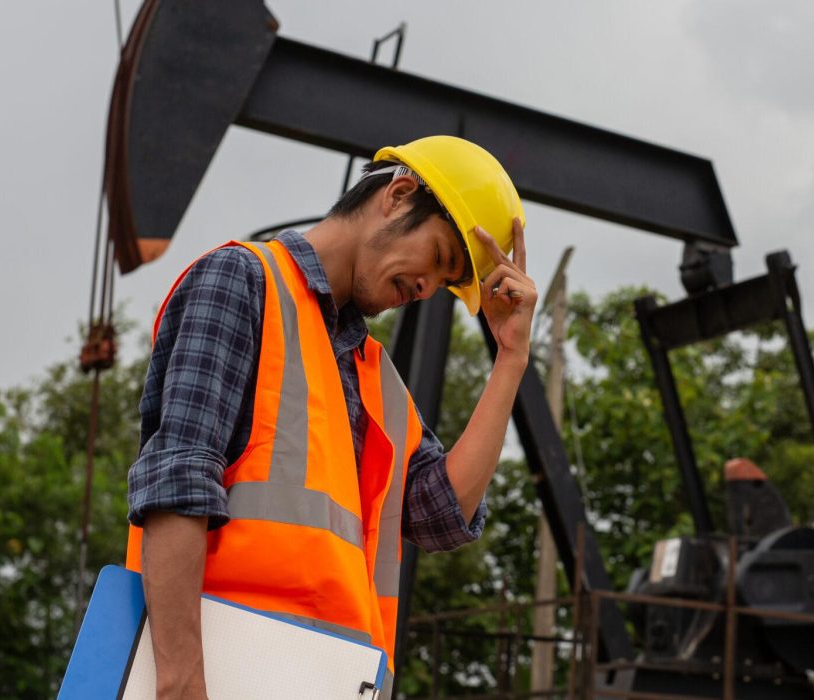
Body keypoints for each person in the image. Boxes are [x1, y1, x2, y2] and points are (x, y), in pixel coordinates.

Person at [122, 136, 535, 699]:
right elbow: (177, 481)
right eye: (438, 260)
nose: (425, 288)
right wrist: (179, 684)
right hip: (218, 671)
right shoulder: (242, 282)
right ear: (399, 194)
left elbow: (441, 514)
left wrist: (510, 359)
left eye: (442, 285)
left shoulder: (375, 378)